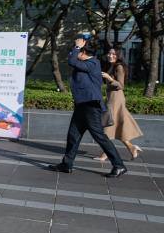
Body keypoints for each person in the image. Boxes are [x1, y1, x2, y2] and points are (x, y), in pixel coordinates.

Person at [48, 37, 127, 177]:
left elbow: (72, 61)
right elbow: (73, 60)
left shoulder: (93, 63)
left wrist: (77, 46)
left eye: (77, 50)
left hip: (90, 105)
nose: (74, 52)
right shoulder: (87, 63)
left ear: (83, 52)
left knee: (99, 136)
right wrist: (77, 48)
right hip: (82, 105)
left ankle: (119, 165)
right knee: (73, 135)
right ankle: (67, 164)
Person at [93, 47, 143, 161]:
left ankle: (105, 154)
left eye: (114, 54)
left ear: (118, 55)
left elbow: (121, 85)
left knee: (107, 126)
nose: (110, 56)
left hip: (116, 99)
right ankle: (131, 148)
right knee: (115, 126)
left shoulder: (119, 67)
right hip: (113, 98)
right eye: (109, 53)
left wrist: (109, 78)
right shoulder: (112, 66)